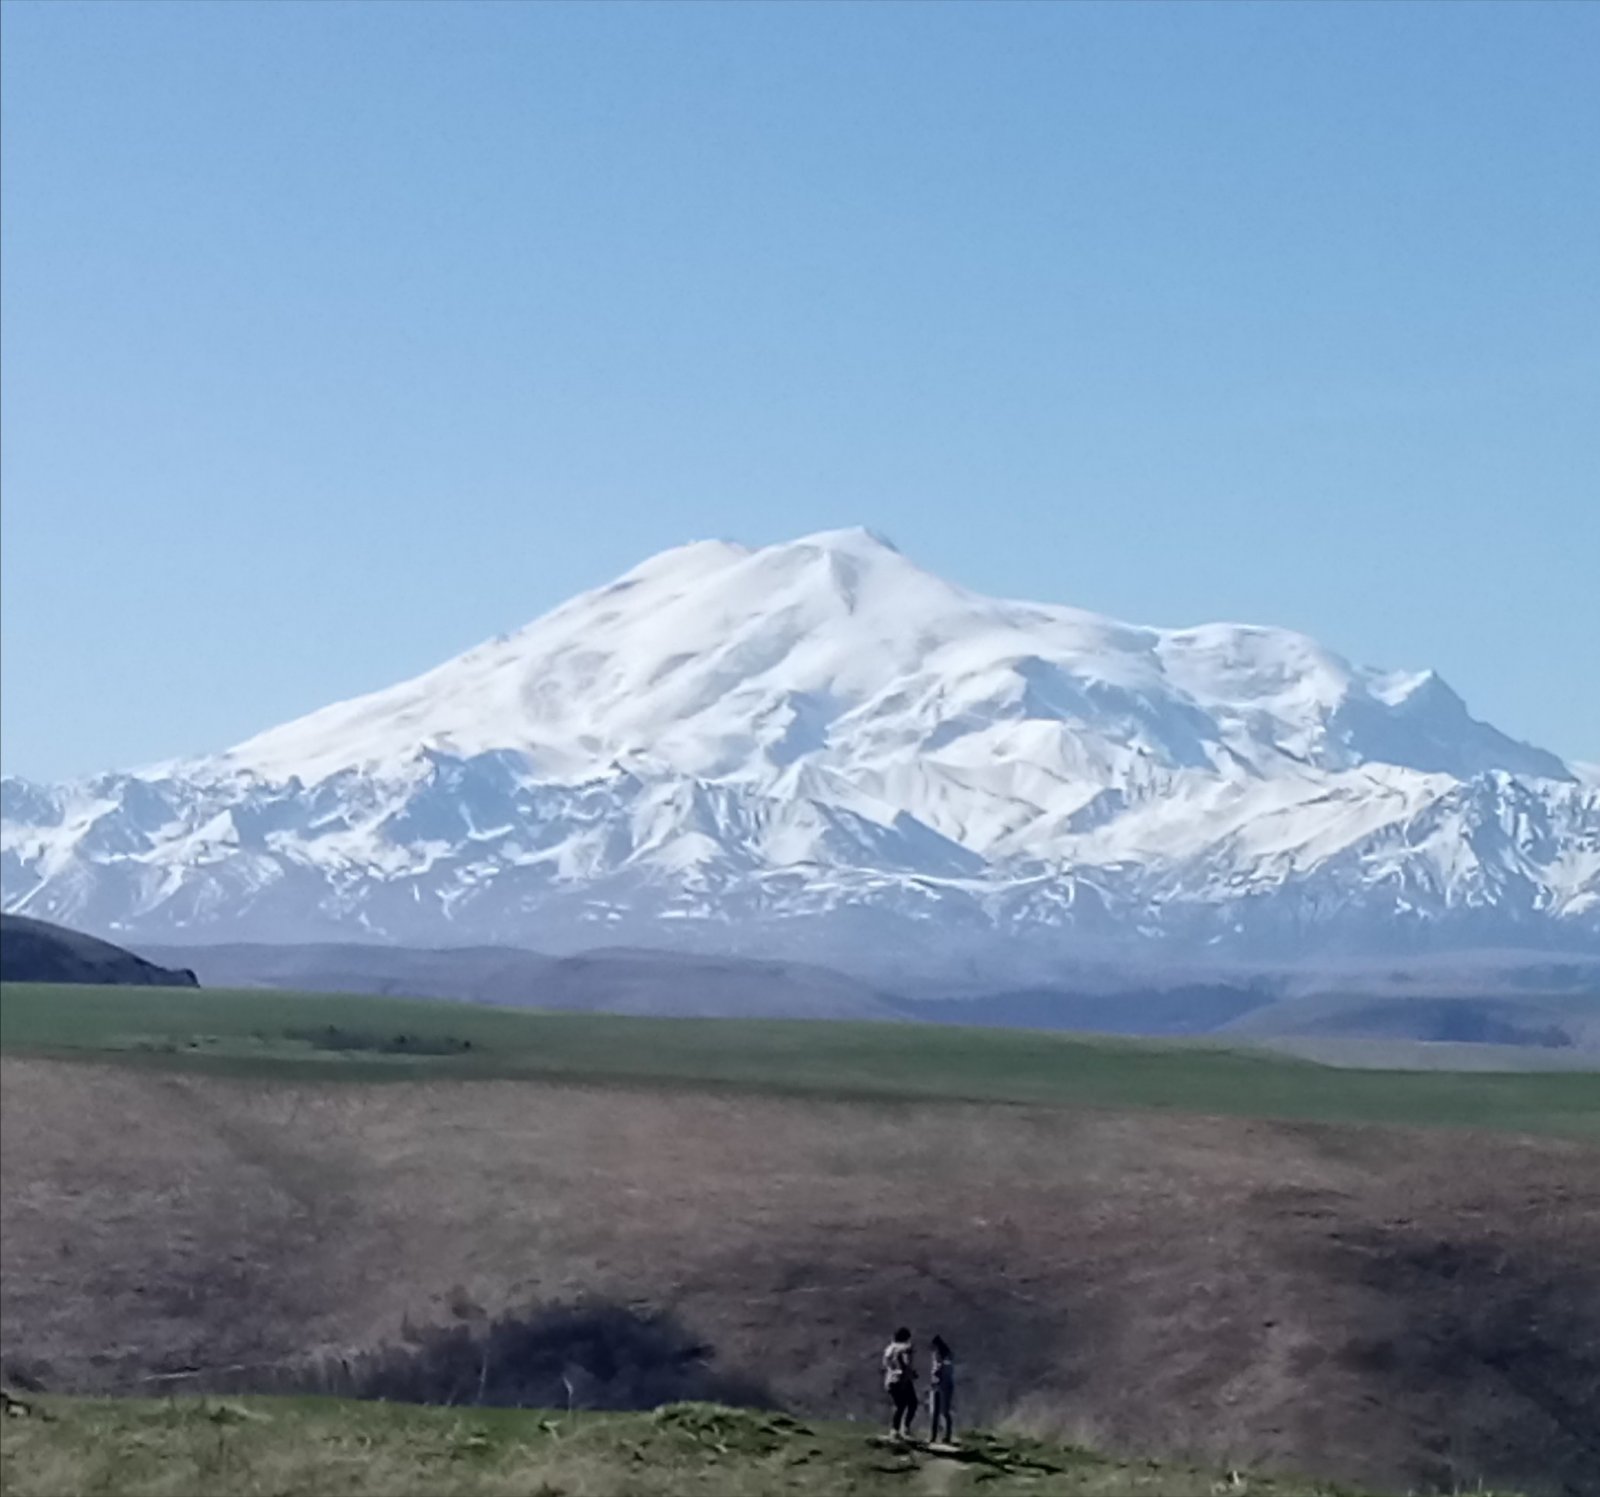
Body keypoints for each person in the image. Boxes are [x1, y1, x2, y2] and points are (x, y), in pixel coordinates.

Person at [881, 1326, 918, 1439]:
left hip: (891, 1380)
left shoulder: (890, 1348)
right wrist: (910, 1374)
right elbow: (907, 1364)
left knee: (900, 1405)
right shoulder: (906, 1348)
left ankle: (895, 1430)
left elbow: (885, 1363)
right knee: (912, 1403)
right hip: (903, 1380)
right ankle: (904, 1428)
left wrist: (893, 1371)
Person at [928, 1335, 955, 1444]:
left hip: (945, 1386)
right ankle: (933, 1436)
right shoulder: (936, 1357)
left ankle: (946, 1436)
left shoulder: (946, 1358)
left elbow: (945, 1371)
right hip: (936, 1386)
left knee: (944, 1411)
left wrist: (938, 1371)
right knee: (934, 1412)